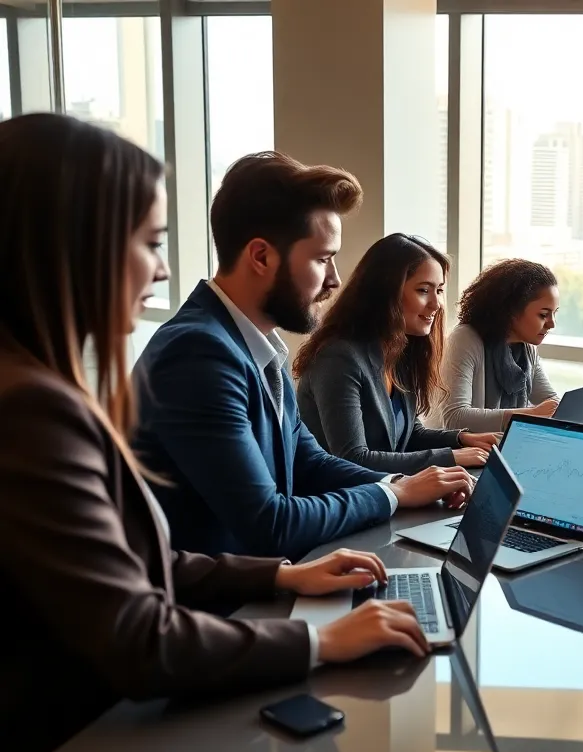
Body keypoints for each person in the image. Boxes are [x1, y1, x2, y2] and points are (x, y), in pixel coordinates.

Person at [0, 114, 433, 752]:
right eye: (149, 242)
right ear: (73, 245)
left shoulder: (40, 384)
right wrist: (321, 643)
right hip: (82, 733)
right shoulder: (37, 406)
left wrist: (287, 574)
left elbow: (151, 561)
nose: (164, 268)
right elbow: (142, 640)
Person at [133, 152, 473, 561]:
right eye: (322, 259)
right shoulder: (199, 355)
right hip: (221, 607)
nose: (335, 280)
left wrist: (406, 484)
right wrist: (393, 494)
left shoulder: (256, 348)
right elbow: (269, 524)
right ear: (261, 257)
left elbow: (309, 462)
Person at [294, 234, 500, 474]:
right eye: (424, 290)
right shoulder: (338, 358)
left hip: (383, 494)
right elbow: (353, 458)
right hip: (336, 501)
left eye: (440, 290)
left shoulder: (399, 351)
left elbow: (409, 435)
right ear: (385, 293)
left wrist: (462, 440)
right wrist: (452, 457)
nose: (437, 304)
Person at [441, 258, 561, 431]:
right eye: (543, 315)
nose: (552, 324)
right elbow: (454, 418)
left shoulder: (527, 348)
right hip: (464, 453)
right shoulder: (466, 339)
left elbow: (550, 403)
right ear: (511, 311)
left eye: (554, 314)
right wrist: (529, 415)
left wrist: (551, 409)